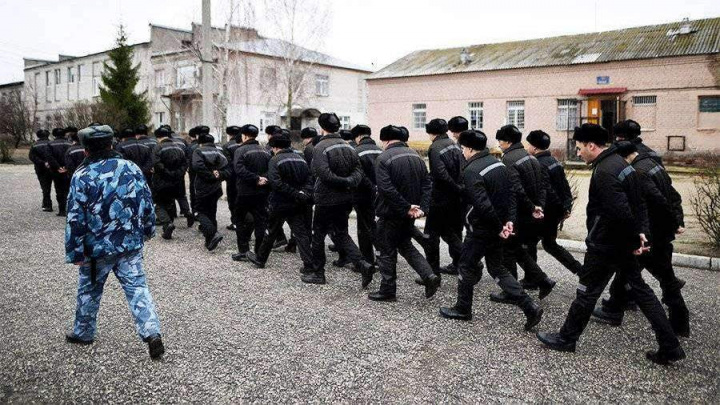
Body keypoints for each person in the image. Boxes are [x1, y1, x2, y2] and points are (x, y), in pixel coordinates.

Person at [536, 124, 685, 365]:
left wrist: (634, 238)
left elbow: (620, 212)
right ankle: (670, 345)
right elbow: (639, 204)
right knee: (642, 291)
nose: (578, 153)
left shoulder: (605, 171)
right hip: (620, 244)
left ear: (591, 146)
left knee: (586, 292)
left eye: (580, 148)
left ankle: (566, 338)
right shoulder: (621, 164)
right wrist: (640, 234)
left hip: (606, 245)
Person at [64, 124, 164, 359]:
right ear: (111, 144)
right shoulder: (131, 168)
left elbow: (75, 217)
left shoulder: (82, 175)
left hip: (95, 250)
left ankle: (83, 332)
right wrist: (148, 230)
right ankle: (152, 332)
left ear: (86, 149)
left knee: (89, 290)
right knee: (137, 288)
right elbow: (146, 201)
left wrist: (75, 251)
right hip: (129, 244)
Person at [439, 130, 543, 330]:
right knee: (497, 268)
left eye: (463, 148)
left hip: (481, 229)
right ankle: (529, 306)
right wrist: (508, 221)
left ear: (470, 149)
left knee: (466, 265)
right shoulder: (499, 164)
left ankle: (462, 308)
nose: (462, 153)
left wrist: (499, 227)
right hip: (498, 226)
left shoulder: (471, 171)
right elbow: (511, 195)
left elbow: (482, 205)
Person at [592, 141, 689, 337]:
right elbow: (673, 196)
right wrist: (677, 220)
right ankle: (615, 308)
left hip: (652, 235)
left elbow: (659, 200)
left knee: (651, 277)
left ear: (623, 157)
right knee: (635, 273)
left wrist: (672, 223)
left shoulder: (639, 172)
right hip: (659, 234)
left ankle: (675, 326)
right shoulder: (652, 164)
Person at [367, 125, 440, 301]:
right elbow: (427, 184)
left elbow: (386, 189)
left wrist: (405, 206)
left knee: (386, 251)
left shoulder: (383, 158)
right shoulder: (416, 156)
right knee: (405, 245)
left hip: (390, 213)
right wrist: (421, 208)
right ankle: (429, 276)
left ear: (385, 140)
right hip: (409, 214)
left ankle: (387, 290)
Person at [304, 112, 374, 285]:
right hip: (346, 198)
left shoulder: (320, 147)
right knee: (342, 234)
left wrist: (343, 181)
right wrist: (349, 181)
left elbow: (323, 174)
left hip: (326, 198)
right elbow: (358, 170)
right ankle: (363, 264)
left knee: (318, 235)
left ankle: (318, 273)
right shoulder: (348, 146)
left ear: (322, 128)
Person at [493, 125, 556, 302]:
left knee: (507, 251)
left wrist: (530, 207)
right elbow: (543, 186)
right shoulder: (531, 157)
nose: (499, 144)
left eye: (500, 141)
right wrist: (538, 206)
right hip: (530, 214)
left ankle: (511, 291)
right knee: (518, 250)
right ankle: (543, 280)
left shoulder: (509, 159)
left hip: (517, 213)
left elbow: (516, 189)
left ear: (508, 142)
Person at [246, 133, 314, 271]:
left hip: (280, 203)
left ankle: (260, 259)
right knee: (301, 234)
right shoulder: (300, 158)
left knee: (271, 231)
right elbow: (309, 179)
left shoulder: (274, 160)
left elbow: (276, 183)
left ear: (275, 147)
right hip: (298, 202)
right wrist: (303, 193)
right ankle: (309, 264)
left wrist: (294, 193)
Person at [522, 130, 583, 278]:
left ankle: (532, 278)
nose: (527, 147)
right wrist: (566, 206)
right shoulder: (554, 161)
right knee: (550, 244)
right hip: (555, 211)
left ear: (534, 147)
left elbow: (548, 191)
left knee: (529, 243)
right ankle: (581, 271)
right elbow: (565, 186)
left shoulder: (538, 164)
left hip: (547, 211)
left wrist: (560, 208)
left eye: (528, 144)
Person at [422, 118, 464, 277]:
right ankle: (464, 262)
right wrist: (459, 189)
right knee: (451, 233)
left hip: (440, 197)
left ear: (431, 133)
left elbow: (440, 174)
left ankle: (432, 274)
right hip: (456, 198)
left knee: (431, 235)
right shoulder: (454, 144)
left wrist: (454, 187)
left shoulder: (435, 147)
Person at [231, 124, 271, 261]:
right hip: (262, 192)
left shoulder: (240, 150)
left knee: (239, 220)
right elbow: (271, 169)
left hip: (245, 191)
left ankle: (243, 250)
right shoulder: (265, 150)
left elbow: (239, 170)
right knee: (260, 221)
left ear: (244, 136)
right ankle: (259, 251)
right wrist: (263, 179)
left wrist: (255, 179)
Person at [191, 131, 229, 251]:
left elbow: (197, 166)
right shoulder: (219, 151)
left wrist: (210, 176)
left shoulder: (198, 151)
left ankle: (213, 234)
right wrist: (220, 175)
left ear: (200, 143)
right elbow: (228, 169)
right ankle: (209, 241)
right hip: (216, 188)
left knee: (198, 212)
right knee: (211, 213)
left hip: (203, 187)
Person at [352, 124, 382, 265]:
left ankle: (368, 260)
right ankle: (384, 256)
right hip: (380, 194)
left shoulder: (356, 151)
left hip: (362, 195)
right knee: (375, 225)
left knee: (364, 228)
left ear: (358, 137)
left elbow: (360, 175)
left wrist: (371, 187)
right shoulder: (381, 150)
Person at [152, 126, 188, 240]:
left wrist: (167, 173)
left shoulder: (157, 148)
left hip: (162, 181)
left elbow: (157, 164)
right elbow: (185, 163)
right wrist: (177, 173)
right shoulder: (178, 147)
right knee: (170, 203)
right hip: (176, 181)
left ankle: (167, 224)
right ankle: (168, 229)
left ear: (158, 137)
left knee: (159, 204)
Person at [222, 126, 243, 230]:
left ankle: (235, 222)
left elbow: (227, 163)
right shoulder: (243, 144)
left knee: (232, 199)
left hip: (232, 177)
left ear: (229, 134)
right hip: (243, 177)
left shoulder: (226, 146)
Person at [28, 129, 55, 212]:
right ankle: (62, 205)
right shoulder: (52, 144)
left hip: (40, 168)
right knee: (58, 187)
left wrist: (43, 163)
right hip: (54, 167)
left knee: (45, 186)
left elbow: (32, 157)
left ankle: (47, 204)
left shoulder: (35, 145)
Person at [49, 127, 73, 216]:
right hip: (68, 170)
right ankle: (68, 208)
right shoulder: (70, 144)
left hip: (56, 171)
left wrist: (58, 167)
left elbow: (49, 157)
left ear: (54, 134)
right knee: (67, 189)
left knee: (59, 190)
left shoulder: (50, 144)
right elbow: (71, 157)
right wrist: (66, 167)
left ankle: (62, 210)